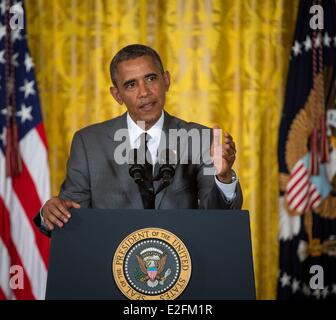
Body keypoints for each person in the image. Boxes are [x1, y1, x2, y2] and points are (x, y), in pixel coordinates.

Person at [34, 44, 243, 236]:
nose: (144, 92)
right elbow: (72, 216)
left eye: (151, 78)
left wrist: (223, 178)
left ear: (166, 81)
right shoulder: (89, 143)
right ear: (117, 95)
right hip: (111, 269)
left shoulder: (200, 139)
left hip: (185, 266)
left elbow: (219, 220)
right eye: (131, 85)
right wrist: (49, 214)